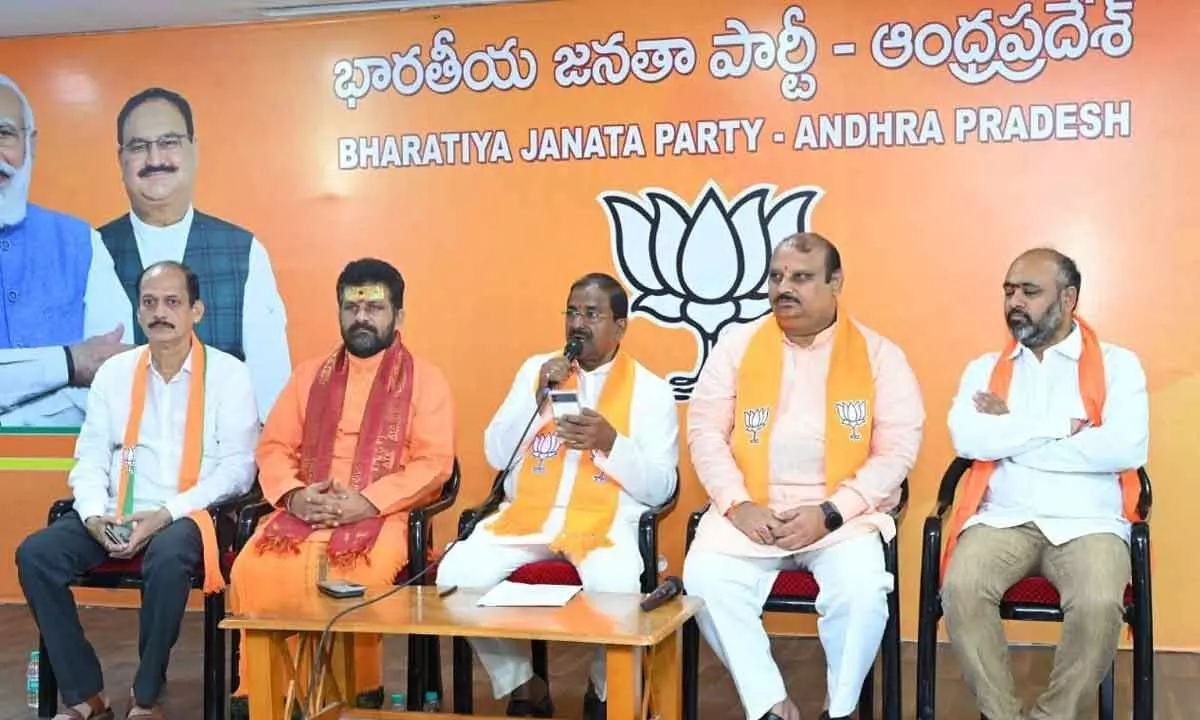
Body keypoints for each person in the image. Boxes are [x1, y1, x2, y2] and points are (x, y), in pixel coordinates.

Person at [681, 233, 925, 720]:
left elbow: (897, 451)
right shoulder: (737, 345)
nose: (783, 288)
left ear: (836, 282)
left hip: (840, 515)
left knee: (861, 592)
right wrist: (737, 503)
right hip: (752, 512)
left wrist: (832, 512)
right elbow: (704, 432)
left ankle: (840, 708)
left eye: (801, 277)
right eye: (776, 277)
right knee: (705, 580)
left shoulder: (879, 356)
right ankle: (771, 705)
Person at [15, 260, 259, 719]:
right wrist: (92, 515)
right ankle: (86, 693)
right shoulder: (116, 373)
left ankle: (146, 696)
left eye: (172, 302)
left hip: (190, 515)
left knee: (167, 559)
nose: (159, 312)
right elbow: (89, 456)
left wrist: (165, 513)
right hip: (113, 512)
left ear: (196, 311)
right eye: (149, 302)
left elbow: (237, 472)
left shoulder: (229, 375)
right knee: (36, 554)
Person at [436, 272, 679, 719]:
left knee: (619, 586)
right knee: (454, 578)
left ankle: (605, 692)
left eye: (591, 314)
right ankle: (524, 685)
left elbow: (662, 486)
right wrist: (536, 398)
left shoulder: (652, 392)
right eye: (571, 313)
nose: (577, 324)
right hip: (529, 518)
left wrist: (611, 443)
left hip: (603, 526)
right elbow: (496, 451)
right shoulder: (538, 371)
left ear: (620, 326)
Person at [228, 258, 456, 716]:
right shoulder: (308, 376)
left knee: (355, 575)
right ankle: (265, 695)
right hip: (304, 509)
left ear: (398, 316)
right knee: (253, 568)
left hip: (382, 516)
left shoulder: (426, 380)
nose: (362, 317)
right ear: (339, 312)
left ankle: (356, 691)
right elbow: (273, 447)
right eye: (352, 307)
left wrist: (367, 502)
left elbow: (434, 463)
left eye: (374, 307)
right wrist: (295, 495)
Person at [940, 248, 1148, 720]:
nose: (1015, 301)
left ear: (1068, 298)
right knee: (962, 587)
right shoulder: (984, 370)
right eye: (1009, 291)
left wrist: (1010, 429)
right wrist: (1067, 425)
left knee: (1098, 602)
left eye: (1029, 291)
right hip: (1003, 519)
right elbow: (969, 438)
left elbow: (1124, 449)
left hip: (1090, 523)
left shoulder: (1118, 366)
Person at [99, 87, 289, 422]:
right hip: (122, 461)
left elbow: (270, 395)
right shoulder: (91, 251)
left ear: (193, 150)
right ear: (120, 159)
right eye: (139, 147)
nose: (155, 158)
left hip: (221, 462)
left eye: (169, 142)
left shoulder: (243, 252)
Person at [0, 73, 132, 427]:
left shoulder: (80, 241)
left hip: (67, 470)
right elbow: (87, 367)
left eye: (4, 134)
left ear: (32, 144)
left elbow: (112, 375)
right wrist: (70, 364)